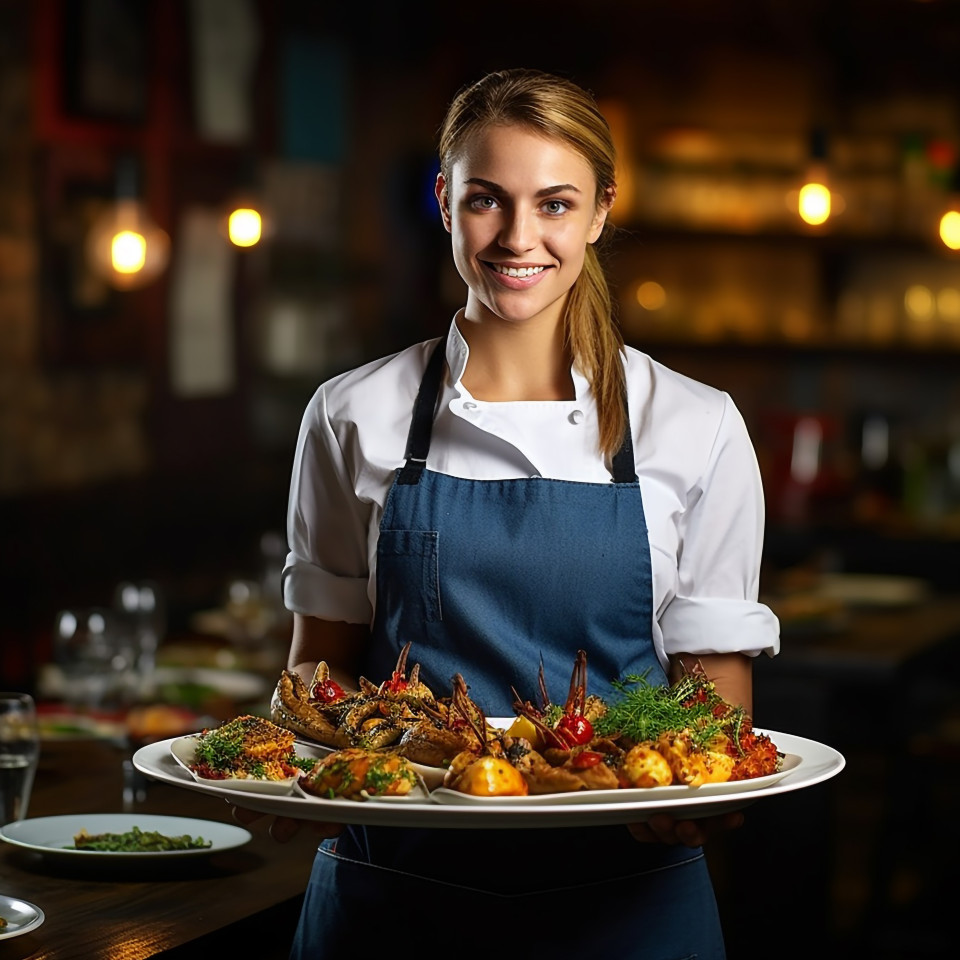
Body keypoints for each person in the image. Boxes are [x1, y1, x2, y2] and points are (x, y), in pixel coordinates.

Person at [248, 67, 780, 958]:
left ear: (602, 212)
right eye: (488, 200)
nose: (519, 237)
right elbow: (321, 669)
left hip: (627, 901)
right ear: (445, 203)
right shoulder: (351, 414)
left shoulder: (697, 425)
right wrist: (276, 764)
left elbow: (714, 695)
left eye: (556, 204)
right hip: (392, 893)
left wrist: (695, 806)